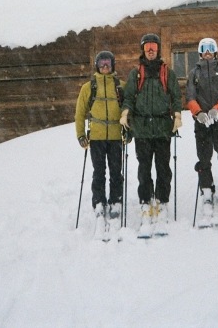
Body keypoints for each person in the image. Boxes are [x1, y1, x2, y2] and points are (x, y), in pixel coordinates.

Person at [120, 33, 182, 236]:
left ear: (158, 49)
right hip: (143, 130)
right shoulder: (135, 74)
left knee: (164, 168)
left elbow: (176, 96)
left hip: (163, 127)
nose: (151, 49)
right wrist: (125, 112)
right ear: (143, 49)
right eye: (147, 46)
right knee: (144, 168)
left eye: (154, 46)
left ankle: (162, 202)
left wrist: (178, 115)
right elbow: (128, 96)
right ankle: (146, 203)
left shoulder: (168, 73)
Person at [74, 50, 126, 236]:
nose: (105, 67)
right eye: (102, 63)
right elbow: (80, 113)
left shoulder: (121, 86)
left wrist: (129, 131)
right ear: (97, 65)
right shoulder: (89, 87)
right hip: (96, 137)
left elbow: (129, 111)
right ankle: (99, 202)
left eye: (108, 64)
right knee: (99, 172)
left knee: (115, 171)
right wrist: (81, 135)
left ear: (113, 65)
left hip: (115, 136)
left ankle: (116, 200)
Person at [185, 37, 218, 226]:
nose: (208, 52)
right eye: (204, 49)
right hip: (202, 123)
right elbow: (190, 96)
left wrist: (217, 109)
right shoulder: (194, 73)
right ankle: (207, 189)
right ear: (200, 53)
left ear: (215, 52)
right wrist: (198, 113)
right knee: (204, 158)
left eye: (211, 49)